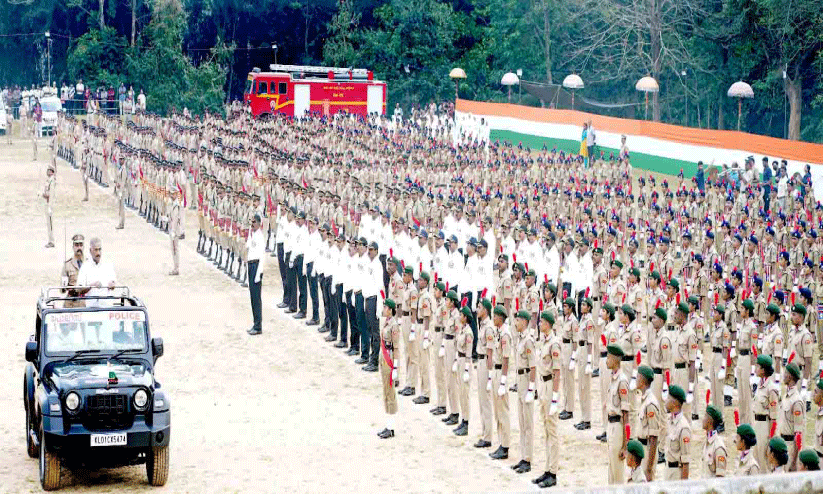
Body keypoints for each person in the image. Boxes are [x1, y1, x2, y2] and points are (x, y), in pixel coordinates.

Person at [533, 310, 561, 488]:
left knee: (552, 430)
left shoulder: (554, 343)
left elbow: (557, 371)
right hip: (542, 384)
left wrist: (555, 397)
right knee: (546, 429)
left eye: (542, 321)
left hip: (551, 386)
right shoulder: (542, 341)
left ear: (548, 324)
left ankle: (553, 472)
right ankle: (547, 468)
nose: (539, 324)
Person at [605, 344, 629, 484]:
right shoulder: (613, 378)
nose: (606, 360)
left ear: (615, 360)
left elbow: (626, 415)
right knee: (611, 470)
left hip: (618, 428)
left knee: (618, 472)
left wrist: (625, 445)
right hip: (611, 426)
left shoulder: (622, 381)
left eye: (608, 358)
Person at [378, 298, 401, 438]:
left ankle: (391, 427)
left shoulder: (394, 325)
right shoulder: (386, 322)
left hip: (390, 358)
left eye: (386, 307)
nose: (384, 309)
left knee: (390, 392)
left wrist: (396, 367)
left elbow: (396, 348)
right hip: (384, 355)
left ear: (390, 310)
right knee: (386, 391)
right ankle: (388, 425)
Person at [76, 237, 117, 307]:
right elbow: (79, 289)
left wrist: (112, 285)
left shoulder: (108, 265)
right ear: (90, 250)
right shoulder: (85, 267)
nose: (98, 253)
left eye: (99, 249)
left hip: (107, 307)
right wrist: (91, 285)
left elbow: (114, 283)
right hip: (92, 308)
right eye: (96, 250)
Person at [664, 385, 691, 480]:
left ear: (674, 403)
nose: (665, 401)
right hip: (668, 470)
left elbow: (685, 461)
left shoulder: (683, 428)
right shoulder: (670, 421)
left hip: (677, 474)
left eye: (668, 398)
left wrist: (683, 485)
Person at [246, 214, 265, 335]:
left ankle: (258, 326)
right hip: (251, 265)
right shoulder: (252, 234)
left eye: (253, 222)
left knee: (256, 298)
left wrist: (259, 273)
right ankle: (255, 323)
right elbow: (248, 247)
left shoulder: (260, 237)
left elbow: (262, 257)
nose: (251, 224)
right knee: (252, 297)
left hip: (256, 266)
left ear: (258, 223)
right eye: (251, 222)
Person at [61, 233, 86, 308]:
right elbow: (62, 290)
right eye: (76, 245)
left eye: (81, 245)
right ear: (73, 247)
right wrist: (64, 286)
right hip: (71, 302)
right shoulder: (67, 264)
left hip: (85, 301)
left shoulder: (88, 263)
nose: (79, 247)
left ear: (83, 247)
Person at [703, 405, 728, 477]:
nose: (703, 419)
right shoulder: (707, 443)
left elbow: (720, 476)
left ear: (710, 421)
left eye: (705, 416)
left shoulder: (718, 447)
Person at [43, 162, 55, 247]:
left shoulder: (52, 181)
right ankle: (50, 239)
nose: (47, 172)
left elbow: (51, 194)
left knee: (50, 224)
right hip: (47, 203)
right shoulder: (49, 180)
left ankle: (52, 241)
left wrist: (50, 206)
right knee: (48, 224)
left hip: (50, 204)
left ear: (51, 171)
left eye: (48, 170)